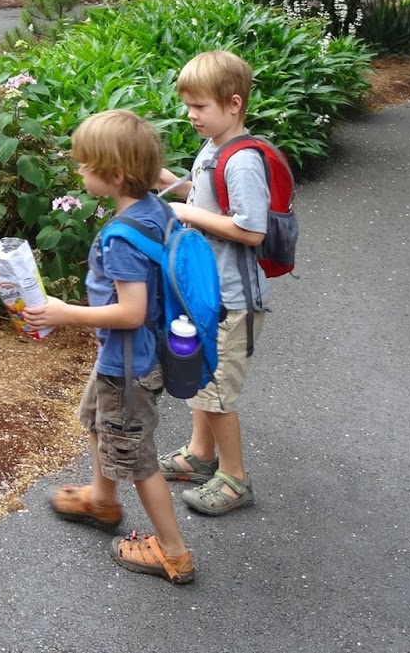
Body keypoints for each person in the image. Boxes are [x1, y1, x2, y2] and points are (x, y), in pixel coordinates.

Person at [23, 109, 196, 585]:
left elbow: (130, 312)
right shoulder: (156, 210)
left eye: (85, 164)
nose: (79, 171)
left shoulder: (122, 238)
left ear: (115, 174)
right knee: (96, 422)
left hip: (129, 364)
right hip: (129, 358)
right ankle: (102, 500)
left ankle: (173, 552)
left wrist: (65, 313)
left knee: (137, 457)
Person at [156, 48, 269, 516]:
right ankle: (200, 456)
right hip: (209, 292)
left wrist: (187, 213)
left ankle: (235, 478)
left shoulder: (242, 160)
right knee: (201, 378)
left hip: (233, 298)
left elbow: (251, 228)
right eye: (188, 105)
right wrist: (169, 184)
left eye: (200, 106)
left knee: (218, 391)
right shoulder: (213, 148)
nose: (191, 115)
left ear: (233, 103)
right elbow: (204, 195)